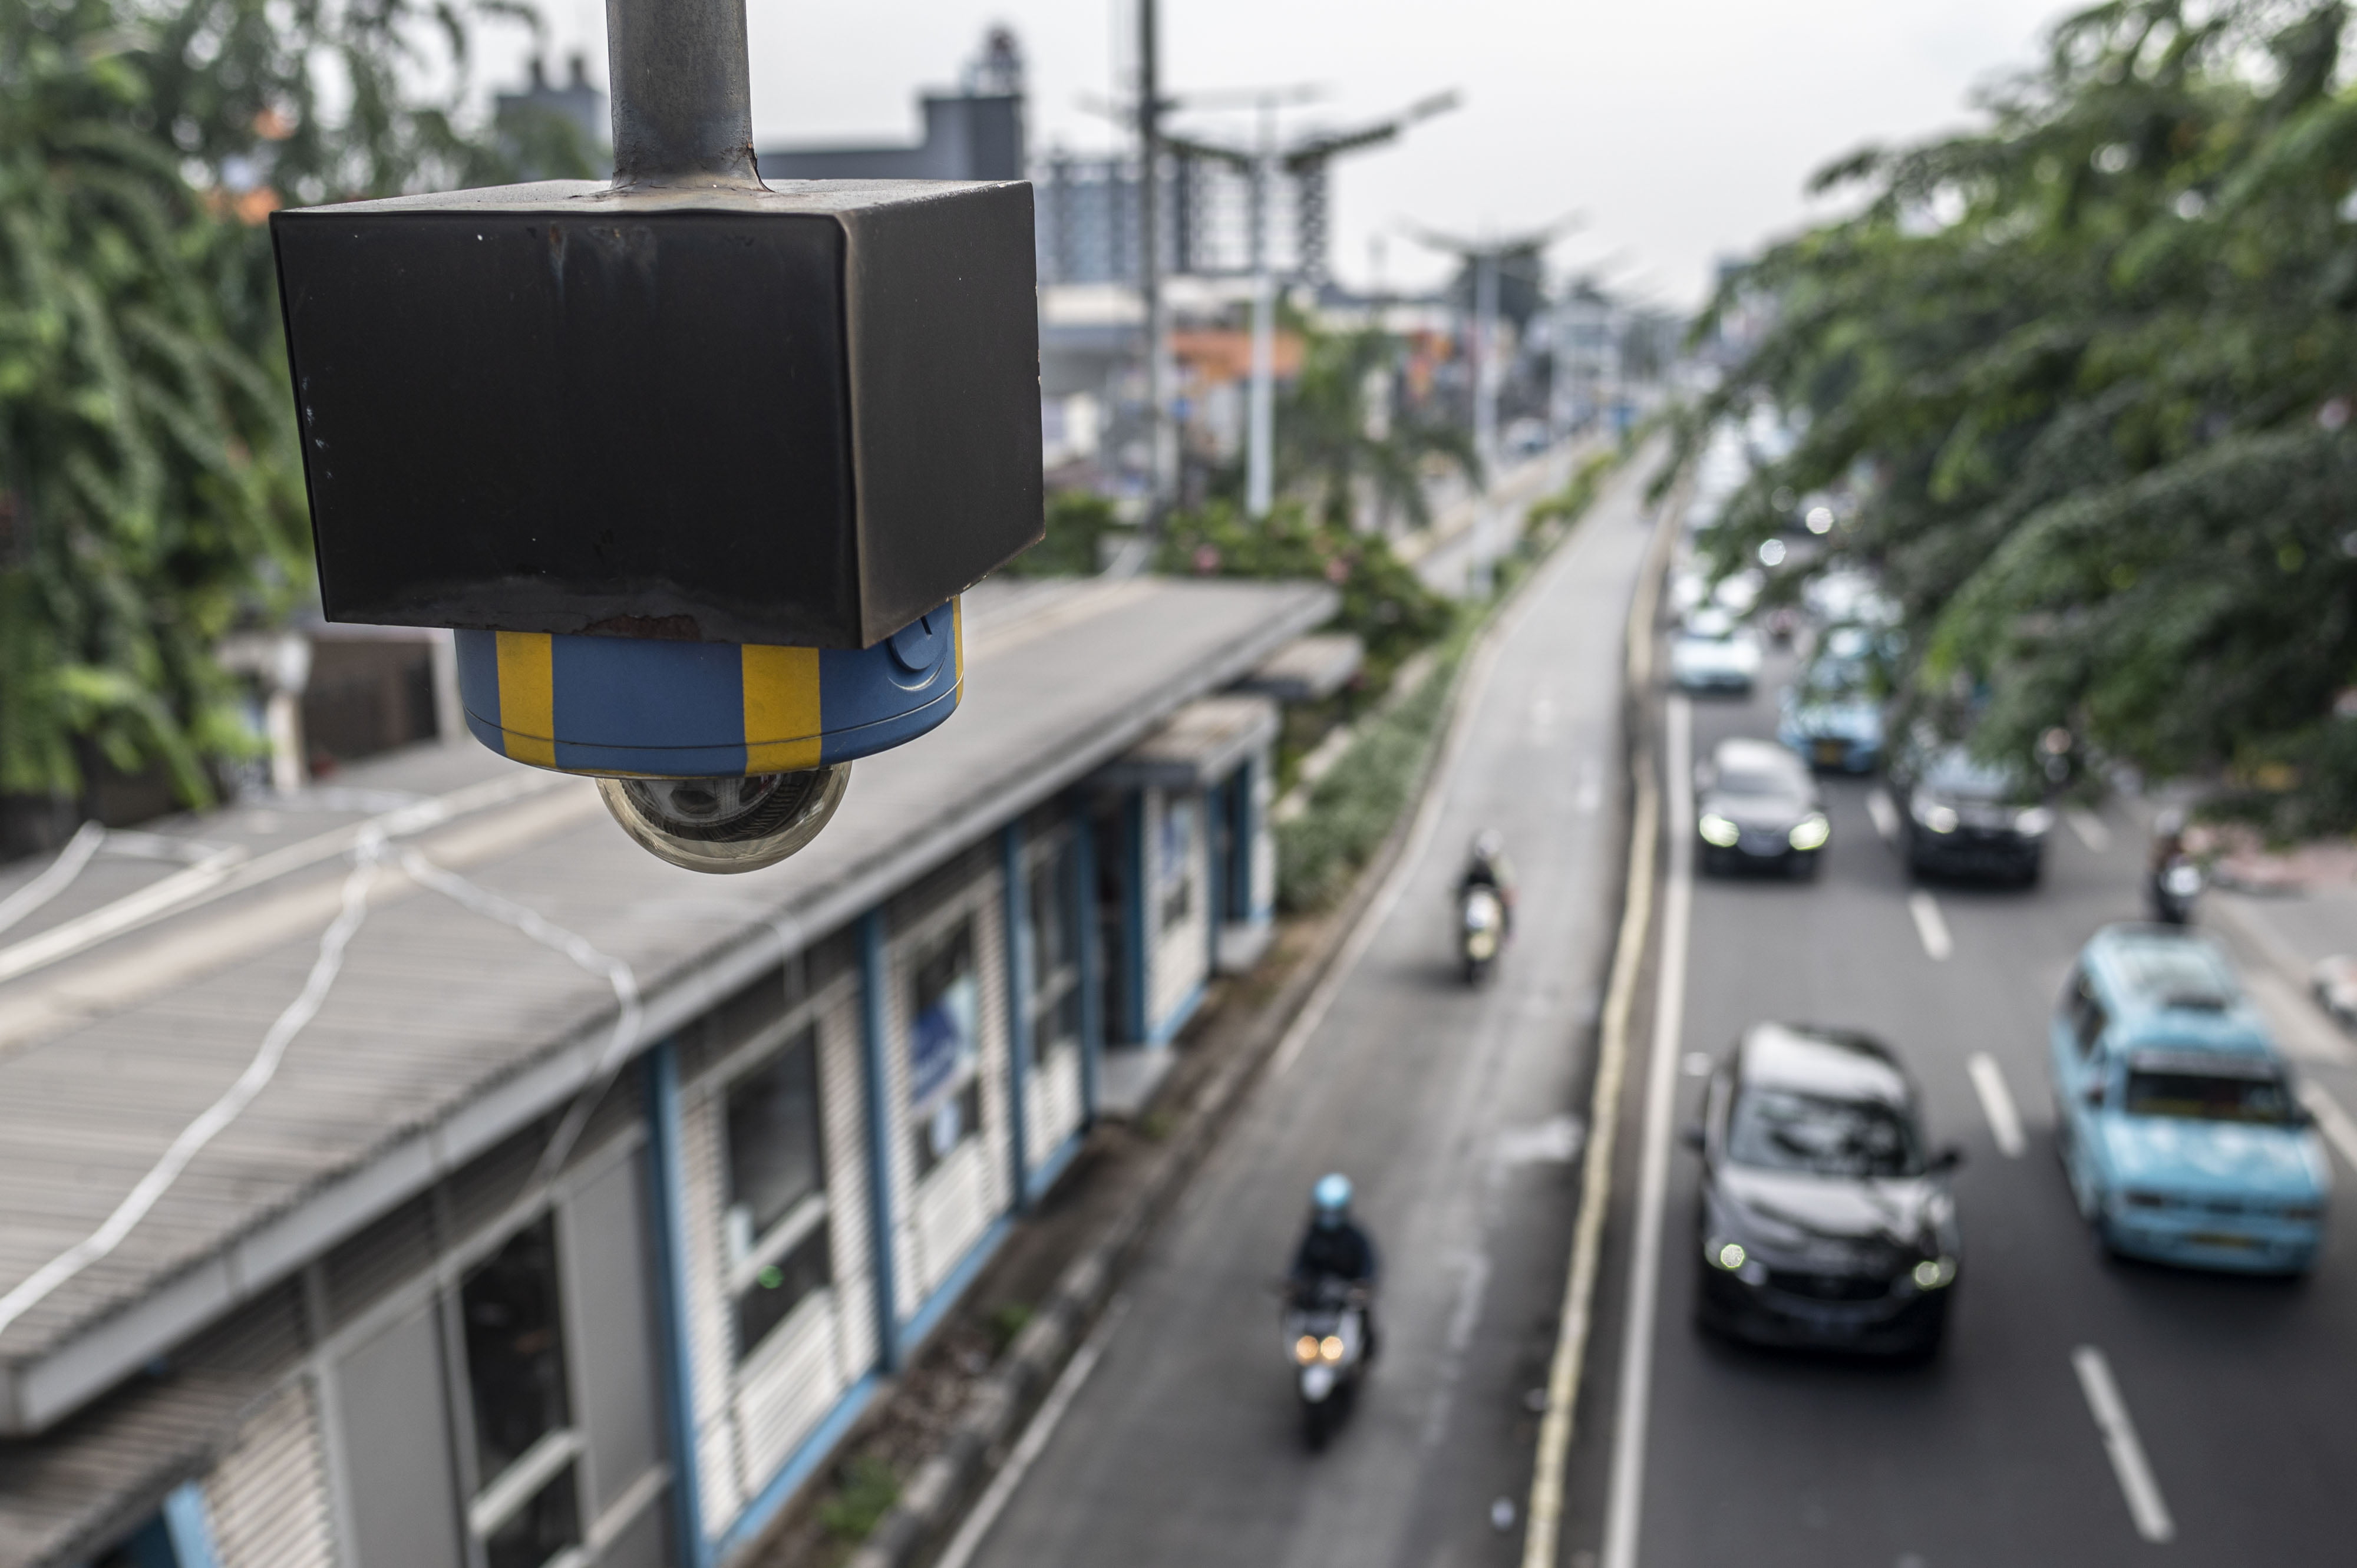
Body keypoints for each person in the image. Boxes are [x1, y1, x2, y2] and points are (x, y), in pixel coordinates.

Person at [1290, 1173, 1379, 1358]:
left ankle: (1365, 1353)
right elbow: (1300, 1263)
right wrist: (1294, 1282)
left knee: (1364, 1316)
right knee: (1292, 1312)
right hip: (1318, 1297)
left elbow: (1368, 1265)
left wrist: (1364, 1285)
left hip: (1346, 1296)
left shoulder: (1355, 1238)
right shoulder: (1313, 1236)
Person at [1458, 830, 1518, 936]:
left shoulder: (1501, 868)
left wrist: (1506, 893)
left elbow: (1507, 885)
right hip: (1476, 902)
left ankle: (1507, 934)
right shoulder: (1472, 866)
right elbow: (1463, 881)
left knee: (1507, 911)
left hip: (1493, 902)